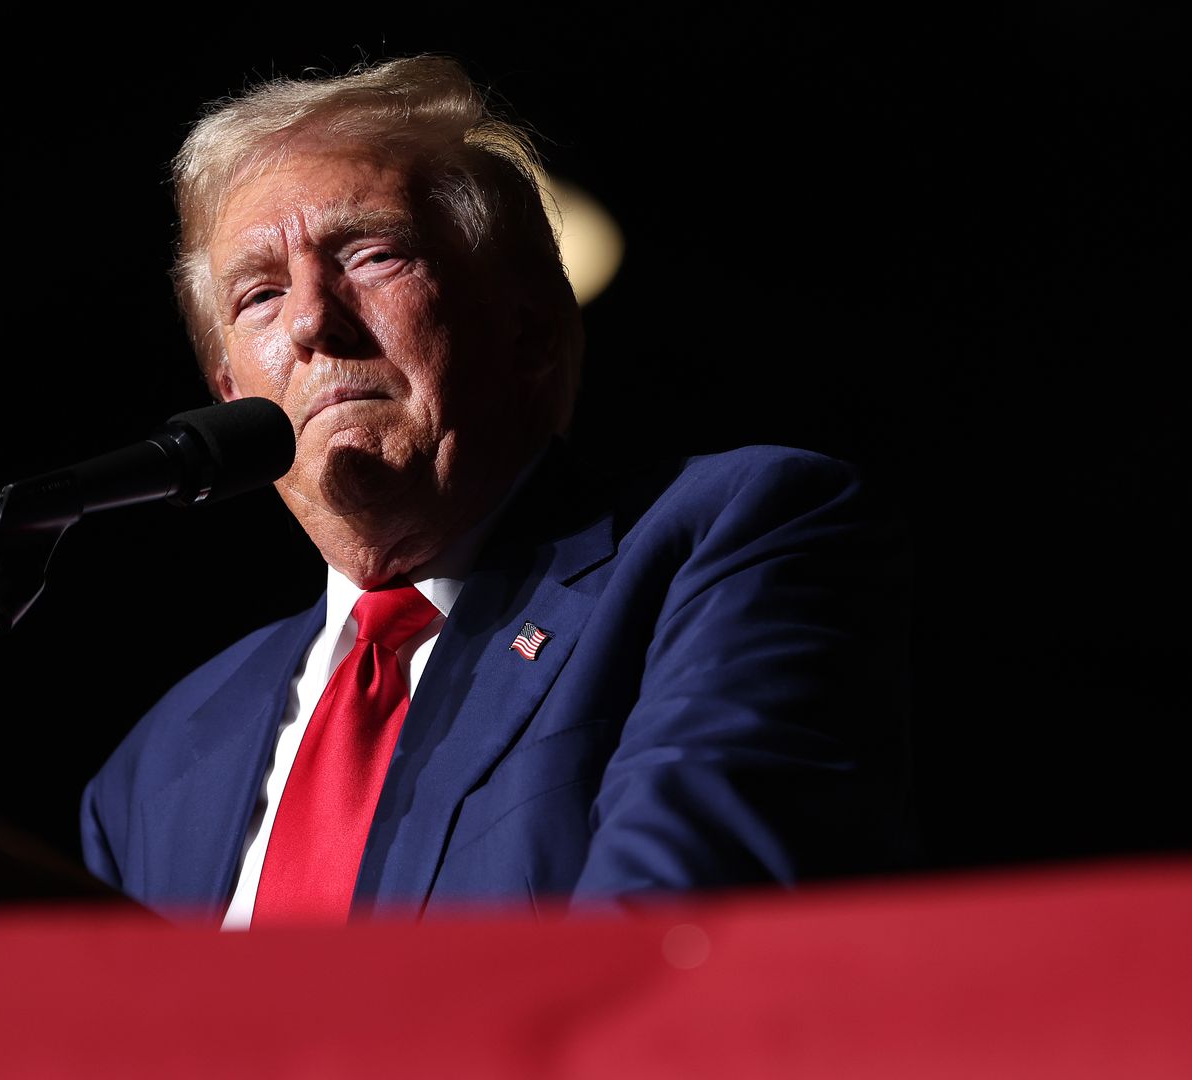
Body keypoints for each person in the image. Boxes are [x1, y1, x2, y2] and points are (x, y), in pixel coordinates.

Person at [80, 55, 909, 926]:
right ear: (226, 393)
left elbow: (669, 942)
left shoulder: (728, 543)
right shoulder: (152, 770)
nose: (312, 320)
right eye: (260, 294)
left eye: (371, 253)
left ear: (527, 326)